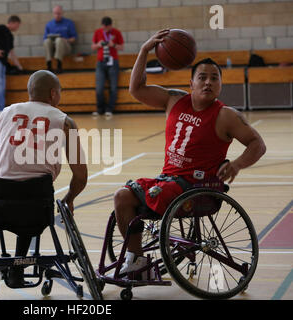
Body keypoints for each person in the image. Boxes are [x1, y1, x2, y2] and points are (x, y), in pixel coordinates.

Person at [114, 30, 266, 275]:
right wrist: (144, 51)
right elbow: (137, 89)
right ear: (191, 83)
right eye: (202, 77)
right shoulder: (174, 100)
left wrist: (237, 164)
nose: (208, 82)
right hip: (169, 182)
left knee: (158, 194)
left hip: (198, 188)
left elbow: (257, 144)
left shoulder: (226, 115)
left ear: (220, 84)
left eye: (214, 78)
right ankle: (137, 261)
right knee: (122, 196)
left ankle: (154, 250)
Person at [0, 70, 87, 287]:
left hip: (1, 204)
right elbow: (81, 176)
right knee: (33, 197)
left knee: (18, 193)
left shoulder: (4, 115)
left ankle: (16, 268)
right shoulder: (65, 121)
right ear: (52, 94)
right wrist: (69, 199)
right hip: (39, 205)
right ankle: (18, 267)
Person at [0, 15, 23, 116]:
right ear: (13, 22)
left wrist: (19, 66)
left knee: (2, 85)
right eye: (17, 25)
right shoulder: (1, 28)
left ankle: (0, 108)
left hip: (2, 62)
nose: (17, 28)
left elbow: (12, 53)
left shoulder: (10, 36)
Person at [91, 17, 124, 117]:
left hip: (113, 62)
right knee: (99, 88)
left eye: (107, 27)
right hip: (101, 62)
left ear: (110, 25)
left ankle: (109, 109)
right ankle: (100, 109)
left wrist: (113, 45)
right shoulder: (97, 32)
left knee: (113, 87)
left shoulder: (116, 32)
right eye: (103, 27)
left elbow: (122, 47)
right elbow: (93, 47)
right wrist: (98, 44)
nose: (105, 29)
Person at [43, 5, 77, 73]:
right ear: (53, 14)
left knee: (59, 40)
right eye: (55, 13)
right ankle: (49, 64)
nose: (57, 15)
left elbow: (74, 38)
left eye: (59, 13)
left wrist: (66, 40)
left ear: (62, 13)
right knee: (47, 41)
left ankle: (59, 65)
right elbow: (44, 38)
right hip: (53, 48)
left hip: (65, 47)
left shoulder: (69, 23)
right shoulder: (49, 24)